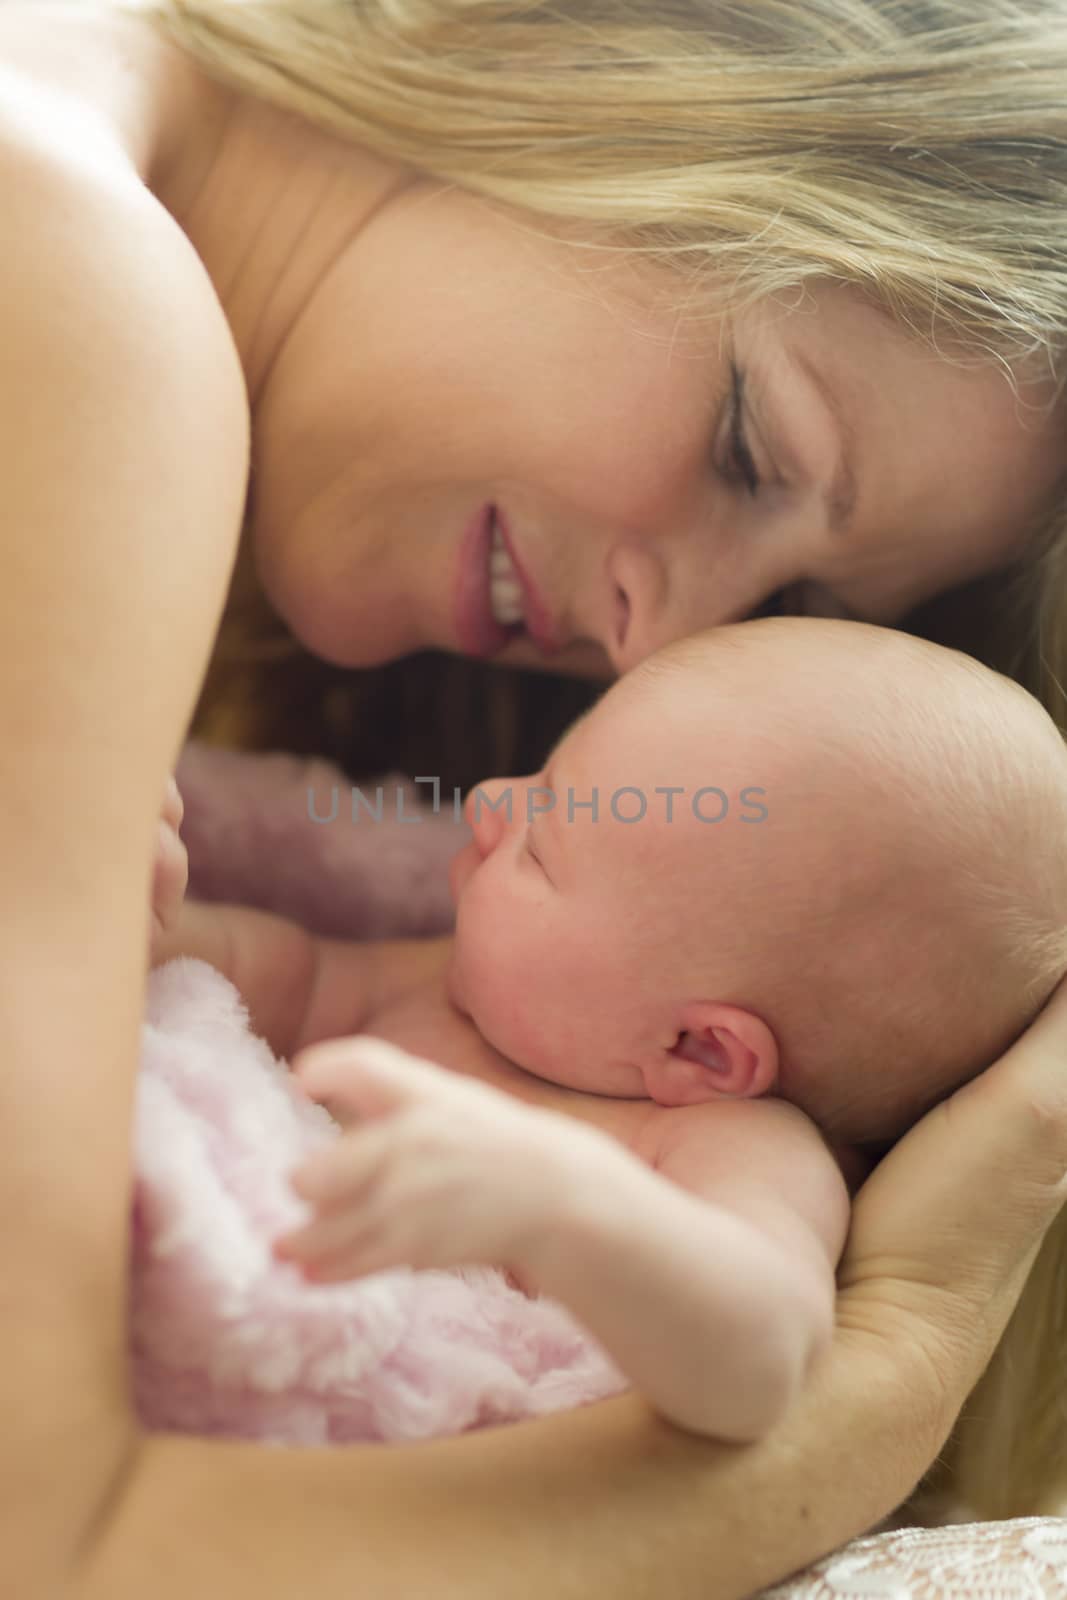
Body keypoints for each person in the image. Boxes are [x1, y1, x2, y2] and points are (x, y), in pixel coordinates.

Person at [2, 0, 1067, 1592]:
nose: (669, 644)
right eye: (746, 442)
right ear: (599, 51)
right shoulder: (78, 276)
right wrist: (894, 1369)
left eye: (787, 616)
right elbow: (53, 1545)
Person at [149, 616, 1067, 1445]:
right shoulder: (448, 984)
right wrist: (137, 900)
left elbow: (762, 1361)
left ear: (700, 1051)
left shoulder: (726, 1149)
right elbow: (254, 976)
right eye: (547, 777)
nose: (489, 803)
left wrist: (562, 1207)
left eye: (542, 843)